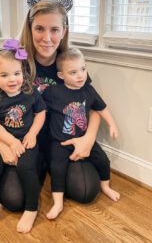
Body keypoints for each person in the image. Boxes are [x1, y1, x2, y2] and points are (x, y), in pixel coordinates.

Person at [0, 0, 103, 212]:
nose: (47, 37)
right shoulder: (16, 62)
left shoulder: (71, 63)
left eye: (54, 29)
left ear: (63, 31)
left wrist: (89, 138)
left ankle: (52, 168)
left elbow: (94, 106)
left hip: (64, 142)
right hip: (27, 143)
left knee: (85, 191)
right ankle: (41, 168)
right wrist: (2, 144)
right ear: (30, 29)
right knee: (13, 200)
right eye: (39, 29)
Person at [42, 47, 120, 220]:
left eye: (83, 69)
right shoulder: (53, 92)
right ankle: (58, 202)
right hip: (59, 142)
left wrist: (112, 124)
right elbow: (37, 107)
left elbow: (101, 108)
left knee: (103, 160)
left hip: (84, 139)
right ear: (61, 76)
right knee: (57, 168)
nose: (80, 75)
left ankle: (105, 186)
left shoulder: (88, 91)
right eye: (74, 72)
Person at [0, 39, 46, 233]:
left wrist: (33, 133)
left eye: (17, 73)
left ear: (23, 73)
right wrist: (10, 142)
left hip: (26, 140)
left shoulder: (30, 91)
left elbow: (40, 113)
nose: (12, 79)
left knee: (27, 168)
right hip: (4, 140)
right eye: (4, 75)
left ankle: (31, 209)